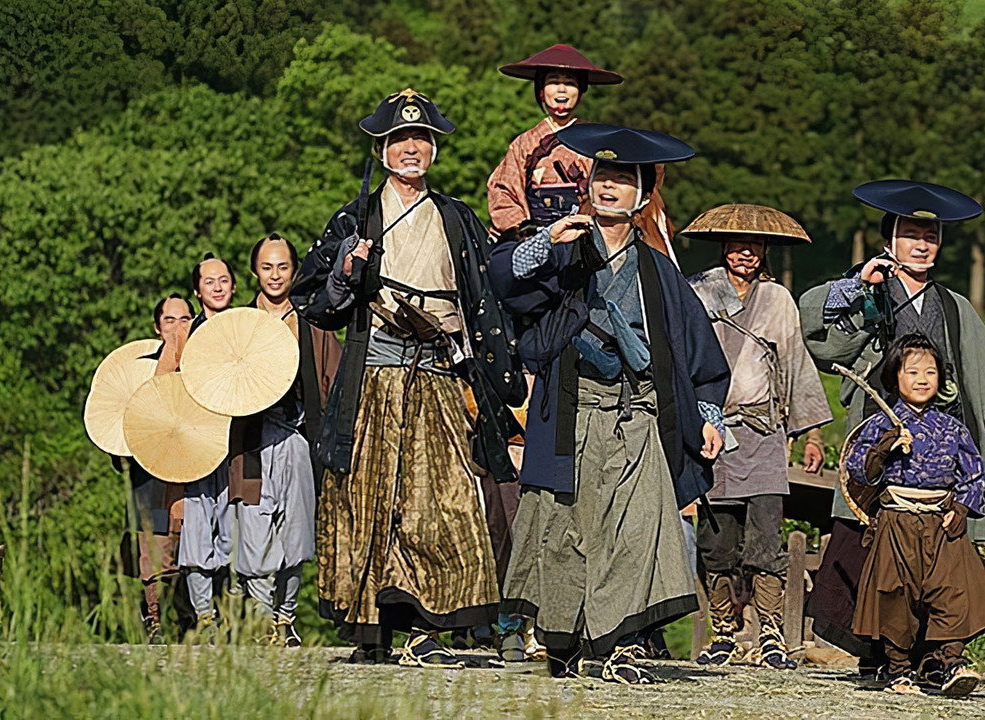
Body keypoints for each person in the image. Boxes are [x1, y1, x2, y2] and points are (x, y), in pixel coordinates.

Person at [291, 89, 525, 668]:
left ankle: (427, 629)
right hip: (373, 376)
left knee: (442, 500)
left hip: (438, 374)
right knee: (366, 501)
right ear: (382, 150)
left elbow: (486, 297)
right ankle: (373, 631)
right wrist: (346, 270)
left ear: (435, 150)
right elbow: (313, 299)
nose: (411, 148)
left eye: (421, 139)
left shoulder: (457, 217)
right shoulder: (354, 218)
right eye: (399, 140)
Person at [489, 123, 729, 684]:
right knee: (563, 531)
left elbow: (699, 351)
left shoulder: (658, 270)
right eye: (602, 175)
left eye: (622, 179)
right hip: (569, 413)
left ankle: (619, 645)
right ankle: (566, 640)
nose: (608, 186)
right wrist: (546, 243)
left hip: (637, 415)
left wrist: (709, 415)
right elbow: (502, 283)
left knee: (638, 529)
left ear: (641, 195)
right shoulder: (562, 247)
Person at [799, 180, 985, 683]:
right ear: (890, 240)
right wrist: (855, 287)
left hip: (939, 461)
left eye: (931, 236)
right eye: (911, 235)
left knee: (942, 567)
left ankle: (936, 661)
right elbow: (820, 341)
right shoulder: (868, 294)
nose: (922, 245)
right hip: (883, 455)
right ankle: (883, 658)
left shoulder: (954, 307)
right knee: (870, 561)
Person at [682, 204, 832, 669]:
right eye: (737, 244)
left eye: (754, 245)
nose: (745, 252)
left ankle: (768, 631)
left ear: (764, 249)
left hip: (764, 430)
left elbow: (795, 363)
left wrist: (811, 433)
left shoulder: (777, 299)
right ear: (724, 246)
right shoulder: (698, 291)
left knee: (766, 538)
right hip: (712, 430)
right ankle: (725, 630)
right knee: (716, 541)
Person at [845, 333, 985, 696]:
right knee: (895, 593)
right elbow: (859, 472)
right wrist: (883, 448)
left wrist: (962, 508)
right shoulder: (879, 425)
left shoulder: (952, 428)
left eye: (930, 372)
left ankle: (952, 663)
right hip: (896, 521)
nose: (922, 379)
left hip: (942, 522)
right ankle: (899, 670)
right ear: (894, 376)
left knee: (953, 591)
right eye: (912, 371)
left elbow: (972, 474)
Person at [227, 234, 341, 647]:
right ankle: (259, 619)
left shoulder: (312, 321)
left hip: (299, 439)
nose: (275, 275)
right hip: (251, 443)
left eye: (283, 267)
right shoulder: (238, 324)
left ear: (294, 270)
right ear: (254, 271)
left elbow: (333, 381)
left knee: (296, 532)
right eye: (266, 267)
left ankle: (285, 617)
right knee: (254, 531)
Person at [488, 45, 677, 258]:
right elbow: (504, 192)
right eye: (553, 82)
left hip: (589, 233)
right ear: (541, 90)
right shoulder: (523, 144)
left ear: (580, 92)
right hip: (539, 238)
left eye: (570, 83)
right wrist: (531, 235)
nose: (561, 89)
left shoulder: (596, 139)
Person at [124, 293, 194, 642]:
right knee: (154, 549)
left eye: (185, 319)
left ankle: (193, 621)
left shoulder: (205, 365)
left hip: (195, 469)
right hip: (150, 473)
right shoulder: (139, 369)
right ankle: (155, 620)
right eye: (169, 320)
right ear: (157, 326)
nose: (177, 327)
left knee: (192, 549)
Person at [175, 253, 238, 637]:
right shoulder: (188, 334)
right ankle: (205, 617)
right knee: (198, 531)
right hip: (197, 444)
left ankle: (236, 616)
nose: (217, 287)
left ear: (234, 285)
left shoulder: (245, 328)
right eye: (209, 281)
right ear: (197, 291)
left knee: (235, 534)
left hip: (240, 446)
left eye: (224, 280)